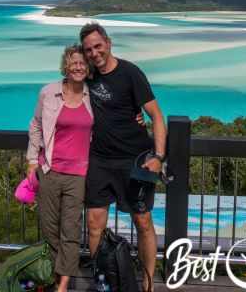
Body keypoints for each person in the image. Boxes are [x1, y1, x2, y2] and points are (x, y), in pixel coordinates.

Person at [80, 22, 167, 288]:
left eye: (98, 46)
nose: (94, 53)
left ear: (108, 43)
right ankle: (103, 282)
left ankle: (147, 283)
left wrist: (159, 157)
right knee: (94, 224)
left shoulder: (131, 73)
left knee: (142, 221)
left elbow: (156, 115)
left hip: (134, 160)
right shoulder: (87, 76)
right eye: (88, 50)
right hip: (99, 160)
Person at [26, 44, 94, 292]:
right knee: (49, 227)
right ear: (66, 66)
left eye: (82, 63)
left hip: (79, 175)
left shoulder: (93, 96)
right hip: (50, 171)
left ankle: (63, 284)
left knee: (71, 230)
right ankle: (57, 274)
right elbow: (35, 125)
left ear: (88, 67)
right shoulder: (49, 92)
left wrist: (137, 116)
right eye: (73, 62)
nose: (78, 67)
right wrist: (32, 159)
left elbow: (114, 119)